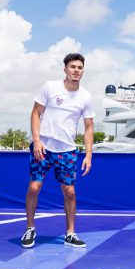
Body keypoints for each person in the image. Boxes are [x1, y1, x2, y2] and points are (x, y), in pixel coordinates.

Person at [20, 53, 95, 249]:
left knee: (69, 192)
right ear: (65, 69)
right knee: (34, 187)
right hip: (43, 147)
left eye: (79, 67)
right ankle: (30, 228)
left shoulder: (86, 97)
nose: (76, 70)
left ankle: (70, 233)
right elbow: (36, 113)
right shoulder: (50, 87)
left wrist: (88, 155)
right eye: (72, 67)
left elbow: (88, 127)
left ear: (83, 71)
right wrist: (37, 141)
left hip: (67, 150)